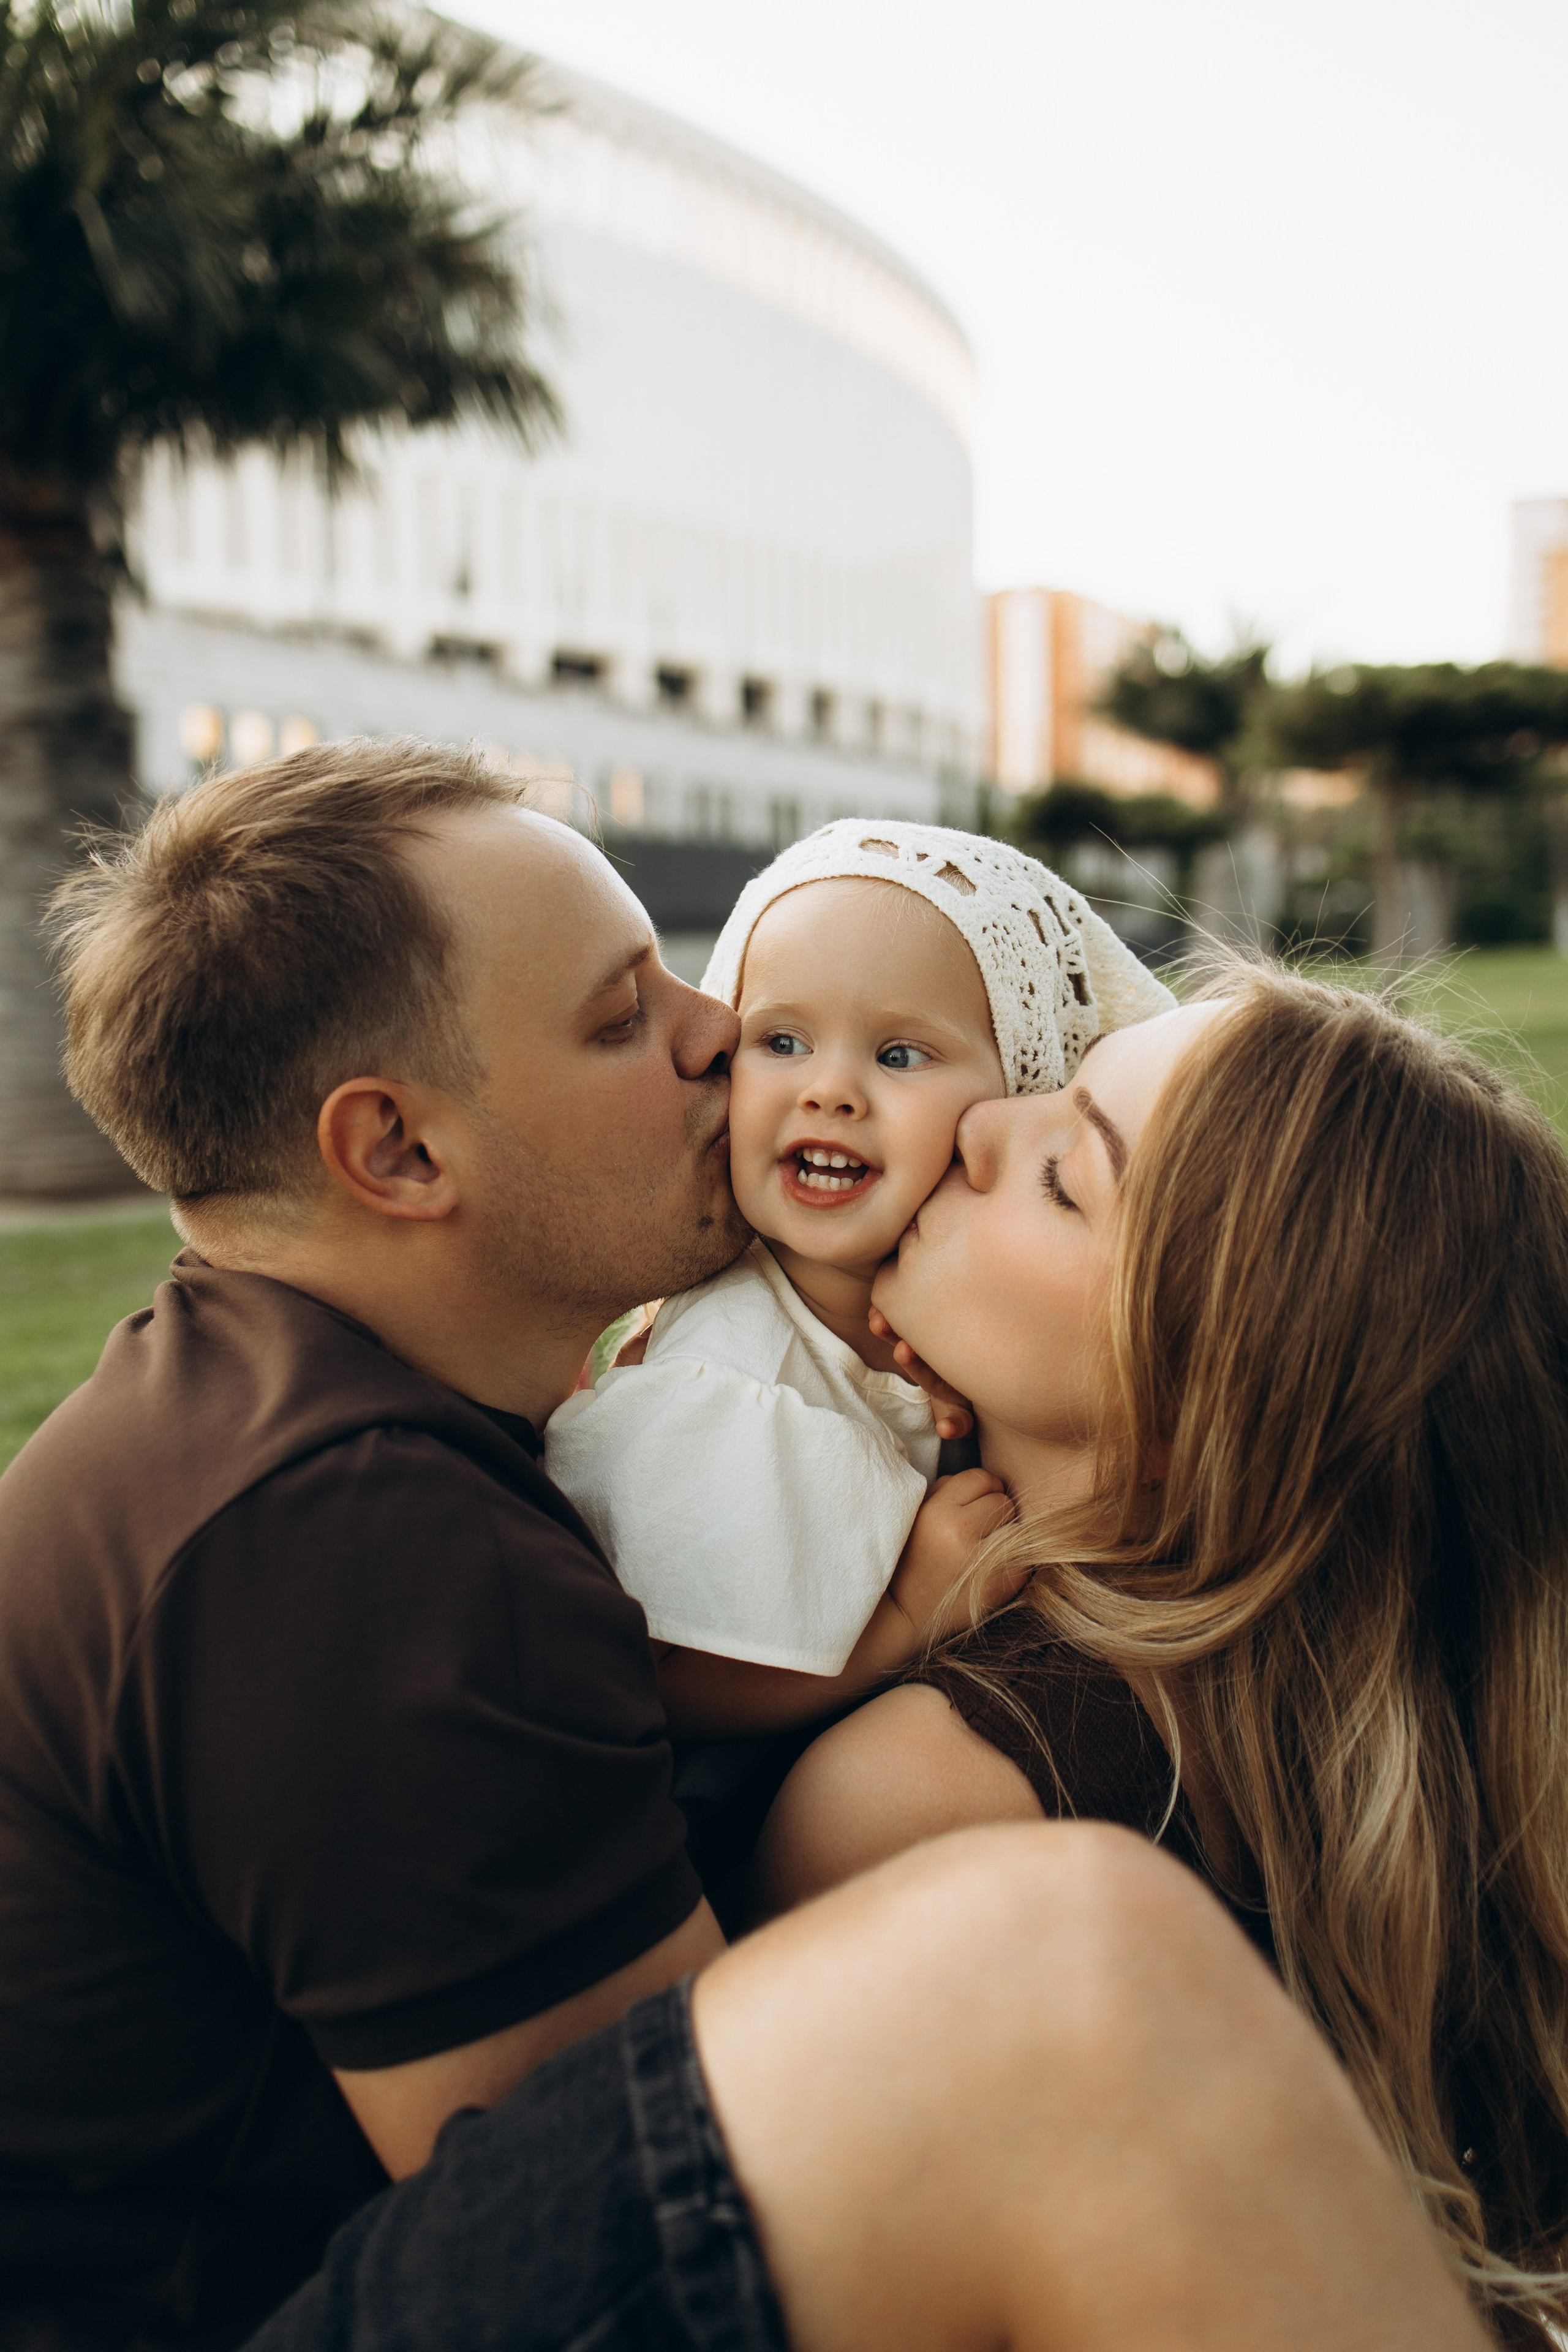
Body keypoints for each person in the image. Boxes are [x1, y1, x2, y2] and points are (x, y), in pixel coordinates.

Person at [0, 739, 1485, 2352]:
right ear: (404, 1154)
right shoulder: (341, 1538)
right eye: (623, 1015)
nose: (720, 1029)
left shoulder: (312, 1420)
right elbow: (660, 2209)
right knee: (1059, 1957)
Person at [755, 968, 1568, 2348]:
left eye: (1064, 1178)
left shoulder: (935, 1801)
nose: (978, 1125)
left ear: (1196, 1409)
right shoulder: (1408, 1784)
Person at [546, 821, 1170, 1742]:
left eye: (899, 1055)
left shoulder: (967, 1335)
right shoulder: (725, 1370)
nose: (829, 1089)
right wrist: (909, 1615)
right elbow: (669, 1693)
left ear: (1014, 1092)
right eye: (782, 1040)